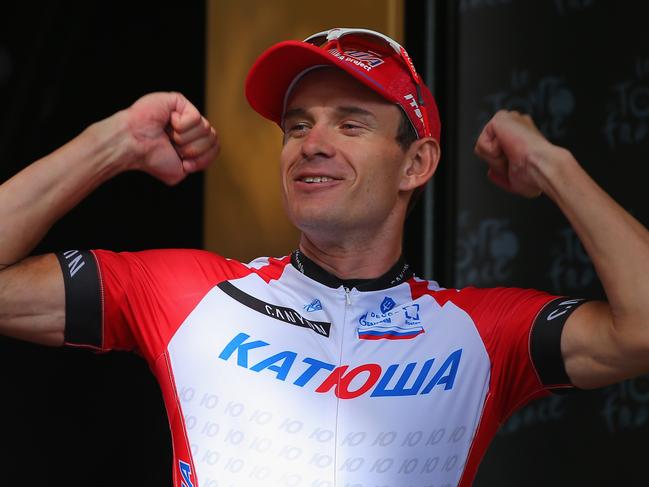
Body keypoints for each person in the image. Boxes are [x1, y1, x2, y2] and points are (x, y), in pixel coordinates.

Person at [1, 27, 648, 487]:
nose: (311, 143)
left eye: (349, 122)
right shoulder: (187, 293)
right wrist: (111, 142)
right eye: (297, 125)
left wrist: (551, 164)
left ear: (416, 163)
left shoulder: (480, 334)